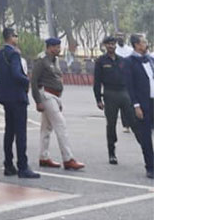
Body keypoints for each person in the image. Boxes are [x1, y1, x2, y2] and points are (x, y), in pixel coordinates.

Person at [30, 36, 85, 171]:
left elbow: (57, 78)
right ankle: (68, 159)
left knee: (46, 128)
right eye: (56, 47)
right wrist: (37, 101)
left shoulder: (55, 61)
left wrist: (59, 100)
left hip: (54, 96)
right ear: (49, 47)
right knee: (61, 125)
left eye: (59, 46)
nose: (58, 49)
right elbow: (34, 81)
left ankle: (43, 157)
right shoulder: (42, 61)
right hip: (46, 95)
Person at [0, 26, 39, 179]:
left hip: (5, 97)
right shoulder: (13, 54)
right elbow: (16, 73)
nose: (17, 38)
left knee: (9, 132)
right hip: (17, 97)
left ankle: (8, 164)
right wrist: (28, 81)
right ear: (11, 37)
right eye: (16, 36)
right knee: (20, 133)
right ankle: (23, 166)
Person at [92, 35, 136, 165]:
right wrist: (98, 99)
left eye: (113, 44)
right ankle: (112, 153)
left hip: (124, 93)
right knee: (111, 125)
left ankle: (147, 151)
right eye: (109, 44)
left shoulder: (122, 61)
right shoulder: (101, 61)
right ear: (105, 46)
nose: (111, 46)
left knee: (134, 122)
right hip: (110, 94)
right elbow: (97, 82)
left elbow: (130, 79)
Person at [124, 33, 154, 179]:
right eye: (143, 42)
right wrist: (136, 105)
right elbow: (130, 86)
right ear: (136, 45)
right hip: (143, 103)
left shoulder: (151, 59)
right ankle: (151, 167)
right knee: (146, 136)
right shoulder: (130, 62)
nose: (146, 44)